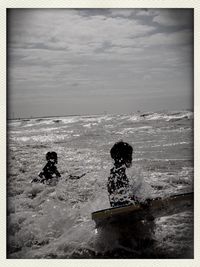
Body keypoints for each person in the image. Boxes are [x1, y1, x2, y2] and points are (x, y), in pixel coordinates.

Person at [107, 141, 139, 208]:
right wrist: (141, 201)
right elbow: (121, 198)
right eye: (130, 155)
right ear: (126, 157)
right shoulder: (119, 173)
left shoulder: (114, 172)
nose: (131, 158)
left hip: (117, 206)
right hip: (121, 208)